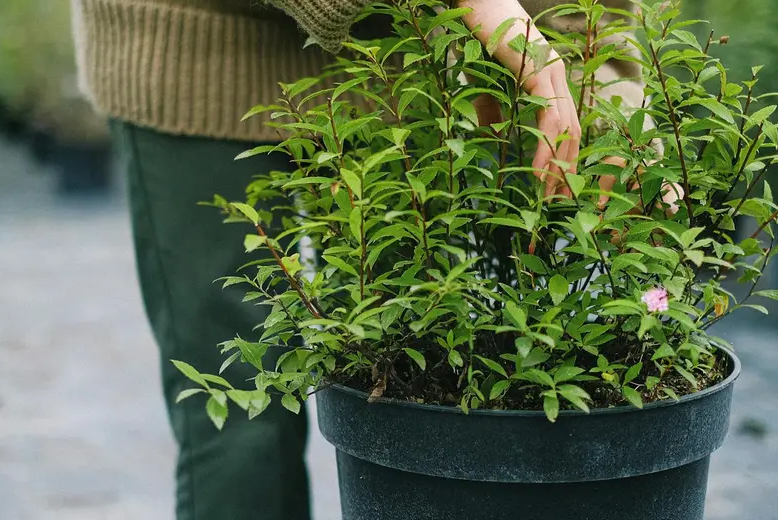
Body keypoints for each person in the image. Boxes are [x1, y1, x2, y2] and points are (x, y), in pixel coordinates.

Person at [70, 0, 646, 519]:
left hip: (388, 61)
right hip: (193, 39)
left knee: (415, 388)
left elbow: (585, 28)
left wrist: (608, 93)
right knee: (242, 421)